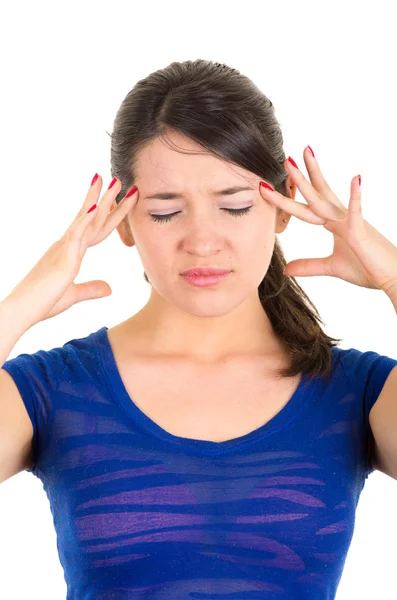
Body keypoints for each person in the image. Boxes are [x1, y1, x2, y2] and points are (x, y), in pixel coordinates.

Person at [1, 58, 397, 599]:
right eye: (165, 212)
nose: (203, 241)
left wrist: (394, 276)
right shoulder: (50, 389)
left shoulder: (356, 389)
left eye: (234, 206)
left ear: (282, 210)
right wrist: (16, 309)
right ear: (119, 219)